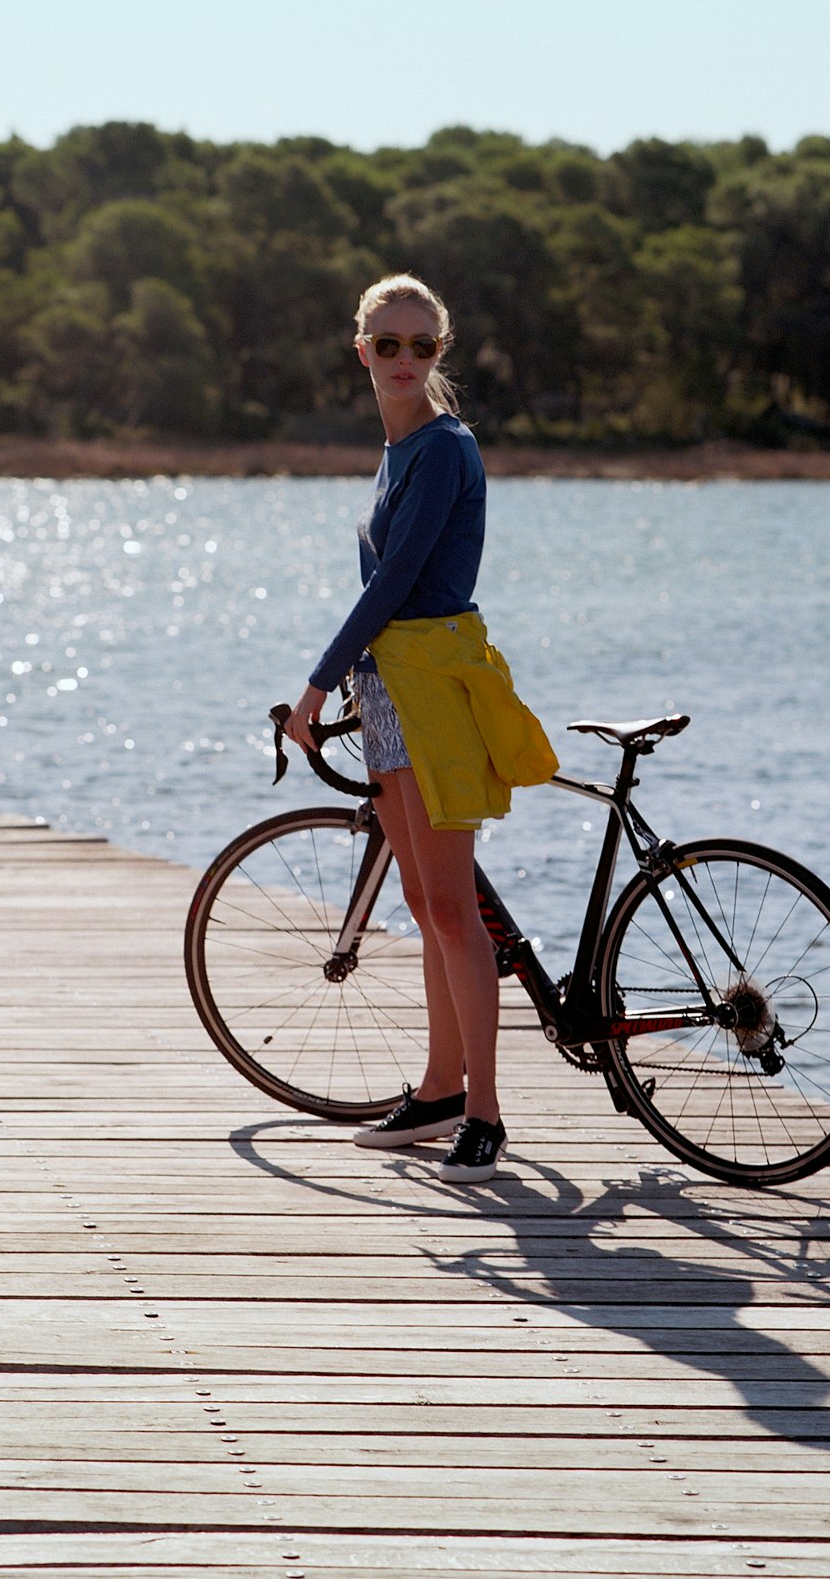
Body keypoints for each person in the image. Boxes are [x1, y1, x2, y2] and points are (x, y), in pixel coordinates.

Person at [287, 273, 557, 1183]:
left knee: (451, 907)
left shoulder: (443, 448)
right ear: (361, 350)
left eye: (422, 345)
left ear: (441, 352)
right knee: (426, 901)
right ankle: (442, 1090)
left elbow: (398, 580)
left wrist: (315, 684)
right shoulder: (397, 448)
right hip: (390, 687)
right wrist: (350, 678)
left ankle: (484, 1112)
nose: (405, 360)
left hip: (433, 686)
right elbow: (385, 591)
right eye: (388, 344)